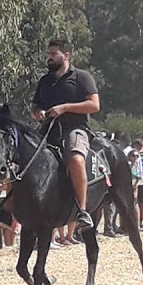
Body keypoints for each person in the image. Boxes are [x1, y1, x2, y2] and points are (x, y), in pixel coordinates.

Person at [31, 39, 100, 232]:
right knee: (21, 157)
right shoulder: (45, 81)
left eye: (54, 54)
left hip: (74, 129)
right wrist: (37, 113)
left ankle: (82, 210)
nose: (49, 58)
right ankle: (10, 209)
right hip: (47, 130)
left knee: (76, 159)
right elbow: (35, 106)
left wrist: (65, 108)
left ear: (66, 55)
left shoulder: (81, 77)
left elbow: (94, 105)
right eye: (49, 54)